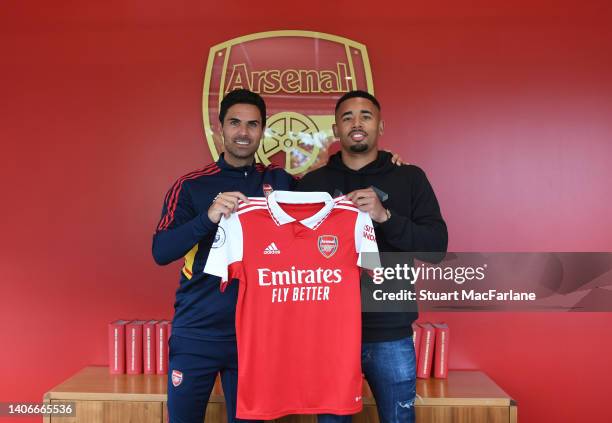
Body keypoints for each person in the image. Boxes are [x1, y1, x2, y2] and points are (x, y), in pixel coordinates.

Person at [297, 90, 448, 423]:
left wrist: (385, 217)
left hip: (390, 331)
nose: (357, 123)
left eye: (366, 115)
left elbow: (436, 247)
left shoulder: (410, 178)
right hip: (329, 334)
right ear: (335, 130)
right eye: (347, 116)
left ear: (380, 126)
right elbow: (293, 257)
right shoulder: (312, 184)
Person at [152, 89, 294, 423]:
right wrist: (209, 216)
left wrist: (386, 164)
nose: (243, 132)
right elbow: (161, 251)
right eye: (235, 123)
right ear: (220, 129)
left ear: (263, 130)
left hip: (256, 336)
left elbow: (332, 197)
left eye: (252, 124)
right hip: (196, 331)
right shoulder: (191, 186)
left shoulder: (282, 182)